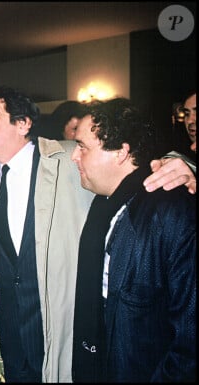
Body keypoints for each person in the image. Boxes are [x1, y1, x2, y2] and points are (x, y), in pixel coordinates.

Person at [0, 86, 197, 382]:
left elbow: (140, 156)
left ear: (23, 124)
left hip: (66, 337)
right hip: (9, 336)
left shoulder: (66, 157)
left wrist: (185, 165)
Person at [71, 98, 196, 382]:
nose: (74, 156)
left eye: (82, 147)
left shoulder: (171, 209)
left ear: (121, 152)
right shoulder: (104, 204)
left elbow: (189, 341)